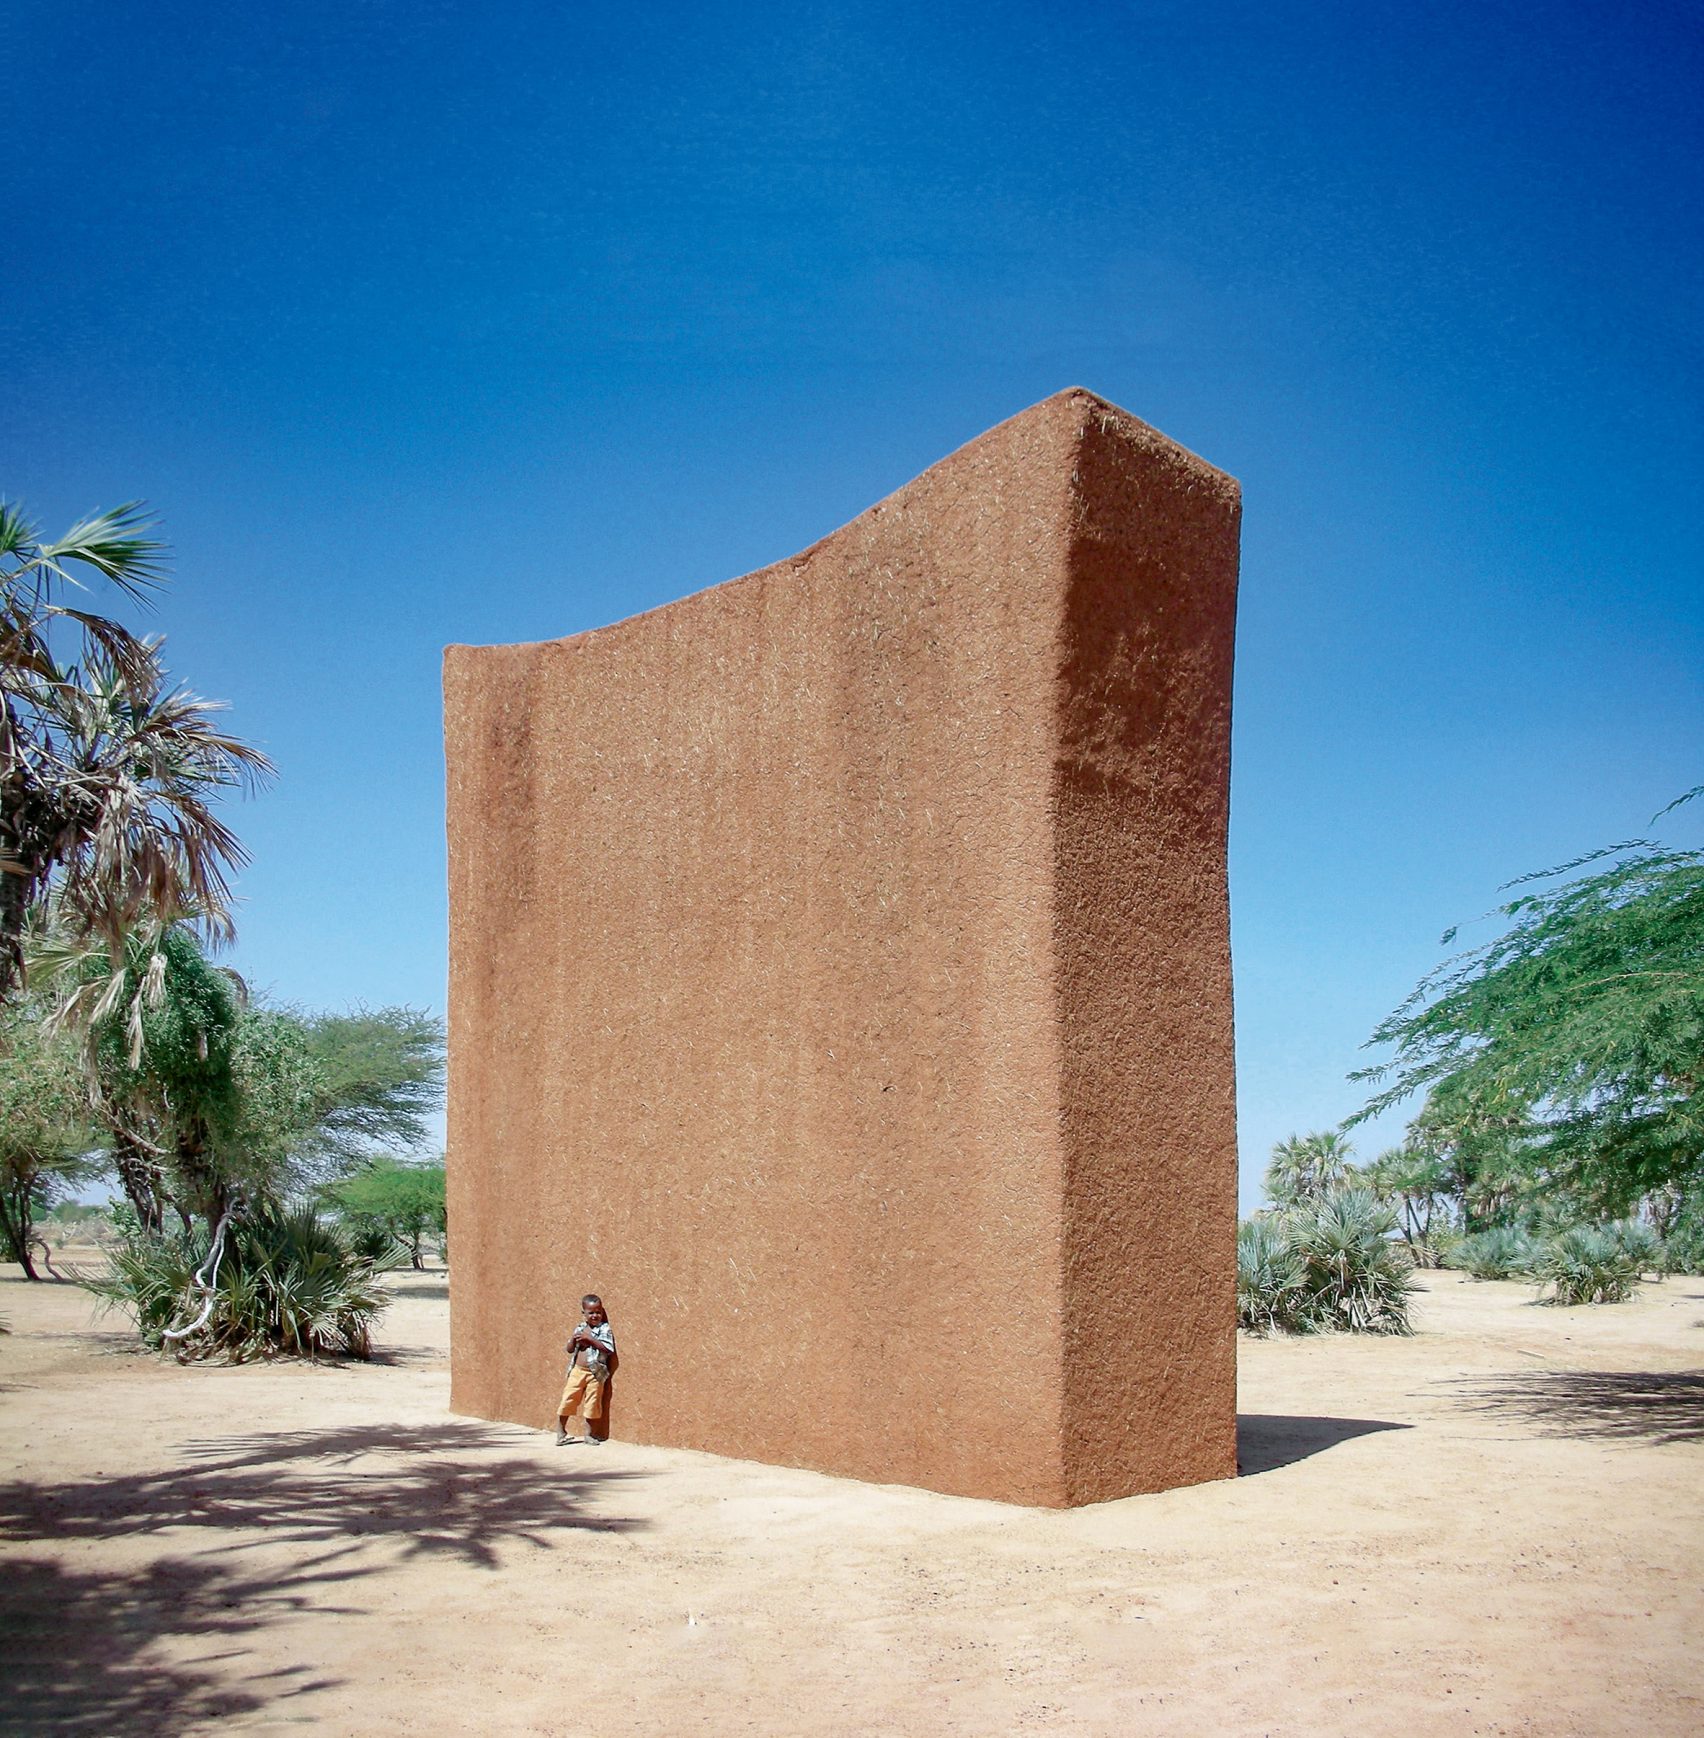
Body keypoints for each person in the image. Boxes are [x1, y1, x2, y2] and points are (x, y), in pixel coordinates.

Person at [556, 1294, 616, 1445]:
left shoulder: (604, 1328)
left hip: (596, 1373)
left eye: (598, 1312)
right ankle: (561, 1432)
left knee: (593, 1402)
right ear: (584, 1313)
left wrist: (590, 1340)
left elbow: (608, 1349)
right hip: (577, 1371)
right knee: (569, 1398)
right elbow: (569, 1349)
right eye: (591, 1312)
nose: (595, 1315)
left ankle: (589, 1434)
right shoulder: (580, 1328)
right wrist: (573, 1339)